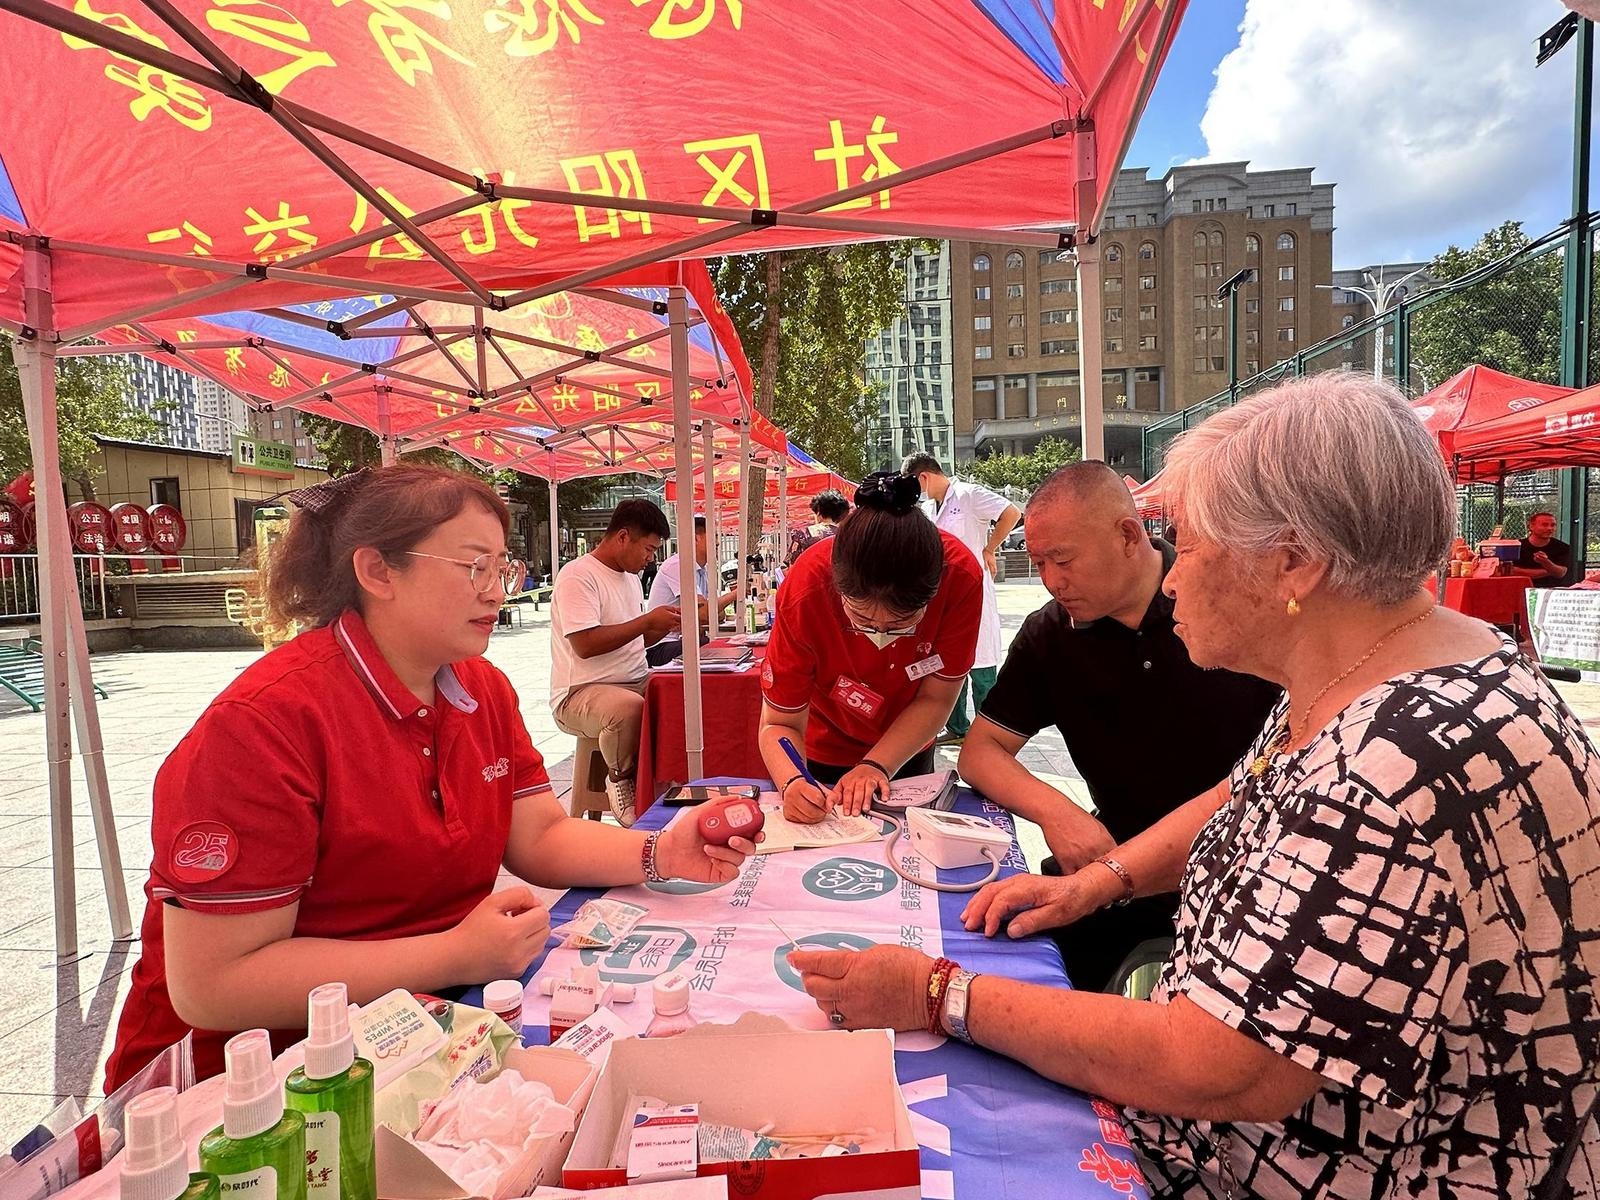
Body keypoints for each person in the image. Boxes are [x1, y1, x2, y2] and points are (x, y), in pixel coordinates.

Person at [789, 375, 1600, 1197]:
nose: (1173, 577)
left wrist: (935, 992)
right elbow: (1242, 795)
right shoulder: (1398, 668)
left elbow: (1217, 1066)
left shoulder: (1392, 766)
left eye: (1193, 543)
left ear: (1294, 563)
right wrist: (1100, 882)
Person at [104, 466, 756, 1092]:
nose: (497, 591)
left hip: (417, 1037)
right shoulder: (262, 726)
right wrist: (456, 954)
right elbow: (213, 985)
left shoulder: (481, 690)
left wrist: (662, 850)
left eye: (502, 567)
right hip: (250, 1092)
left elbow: (539, 836)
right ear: (377, 570)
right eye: (474, 566)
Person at [956, 462, 1278, 991]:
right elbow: (981, 750)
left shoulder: (1224, 606)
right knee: (1008, 949)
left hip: (1247, 863)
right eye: (1038, 563)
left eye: (1063, 560)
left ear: (1129, 535)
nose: (1051, 580)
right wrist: (1058, 814)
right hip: (1113, 854)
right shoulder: (1051, 635)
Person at [758, 472, 983, 820]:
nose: (879, 636)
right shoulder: (806, 588)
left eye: (901, 625)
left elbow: (936, 698)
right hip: (821, 744)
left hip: (907, 746)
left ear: (933, 594)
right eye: (861, 620)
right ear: (837, 588)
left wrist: (877, 765)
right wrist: (792, 781)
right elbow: (779, 723)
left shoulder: (960, 577)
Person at [550, 498, 683, 826]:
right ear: (623, 537)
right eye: (648, 549)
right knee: (628, 709)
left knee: (682, 693)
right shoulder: (578, 575)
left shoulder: (630, 578)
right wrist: (646, 621)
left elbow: (633, 640)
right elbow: (585, 644)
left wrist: (662, 628)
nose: (650, 559)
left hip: (634, 678)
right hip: (581, 692)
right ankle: (620, 779)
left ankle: (670, 779)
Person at [901, 452, 1020, 746]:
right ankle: (956, 726)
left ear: (923, 477)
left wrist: (990, 548)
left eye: (914, 485)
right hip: (941, 596)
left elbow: (1011, 512)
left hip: (974, 592)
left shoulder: (969, 494)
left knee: (981, 665)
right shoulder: (928, 508)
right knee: (946, 662)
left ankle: (989, 734)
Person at [647, 514, 736, 625]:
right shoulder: (678, 565)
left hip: (690, 633)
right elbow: (704, 614)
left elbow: (719, 614)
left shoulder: (703, 569)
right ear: (695, 538)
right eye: (714, 536)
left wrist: (710, 610)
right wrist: (736, 593)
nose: (718, 542)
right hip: (671, 635)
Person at [786, 489, 849, 566]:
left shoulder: (804, 534)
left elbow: (792, 564)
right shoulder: (847, 536)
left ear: (818, 512)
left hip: (811, 572)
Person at [1513, 510, 1572, 587]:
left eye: (1553, 525)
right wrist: (1550, 570)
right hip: (1522, 587)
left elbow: (1560, 573)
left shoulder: (1562, 547)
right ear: (1531, 526)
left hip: (1552, 588)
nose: (1550, 528)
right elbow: (1512, 571)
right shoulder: (1517, 546)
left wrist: (1545, 562)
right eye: (1544, 525)